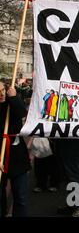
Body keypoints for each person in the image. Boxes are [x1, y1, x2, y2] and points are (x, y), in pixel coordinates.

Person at [0, 81, 30, 217]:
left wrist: (13, 97)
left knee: (20, 196)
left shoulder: (12, 102)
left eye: (2, 90)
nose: (1, 94)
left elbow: (22, 113)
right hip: (0, 155)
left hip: (16, 154)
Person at [54, 138, 79, 217]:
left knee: (72, 170)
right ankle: (73, 203)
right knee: (68, 172)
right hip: (64, 136)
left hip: (71, 136)